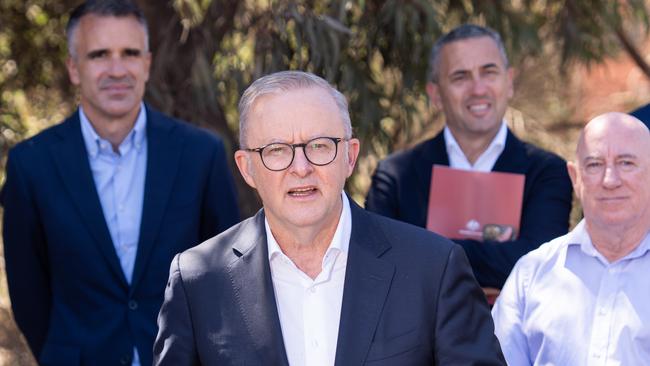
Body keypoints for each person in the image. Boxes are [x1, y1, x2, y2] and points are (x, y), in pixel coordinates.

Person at [153, 71, 505, 365]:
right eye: (277, 150)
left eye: (320, 145)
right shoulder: (198, 280)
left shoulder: (433, 268)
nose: (301, 168)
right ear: (247, 168)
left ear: (350, 157)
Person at [0, 1, 240, 365]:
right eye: (99, 55)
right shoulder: (31, 164)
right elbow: (29, 294)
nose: (117, 69)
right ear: (73, 68)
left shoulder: (199, 154)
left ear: (146, 64)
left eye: (129, 53)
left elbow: (224, 276)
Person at [365, 24, 573, 289]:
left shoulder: (548, 172)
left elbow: (539, 266)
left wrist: (425, 251)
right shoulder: (395, 177)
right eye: (460, 77)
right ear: (436, 95)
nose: (478, 89)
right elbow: (379, 267)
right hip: (420, 331)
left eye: (489, 73)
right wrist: (500, 256)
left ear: (509, 82)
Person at [492, 112, 650, 365]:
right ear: (576, 179)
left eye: (626, 163)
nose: (610, 180)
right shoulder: (531, 275)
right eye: (595, 165)